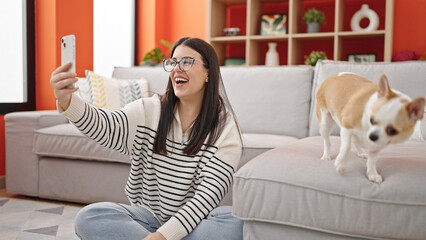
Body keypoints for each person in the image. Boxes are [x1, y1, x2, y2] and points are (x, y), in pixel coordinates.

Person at [50, 37, 243, 240]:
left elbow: (206, 198)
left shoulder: (225, 128)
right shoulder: (149, 109)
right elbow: (104, 126)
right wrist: (67, 100)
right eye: (173, 62)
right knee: (89, 217)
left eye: (186, 62)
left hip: (195, 223)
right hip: (148, 220)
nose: (177, 68)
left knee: (234, 223)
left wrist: (162, 237)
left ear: (208, 73)